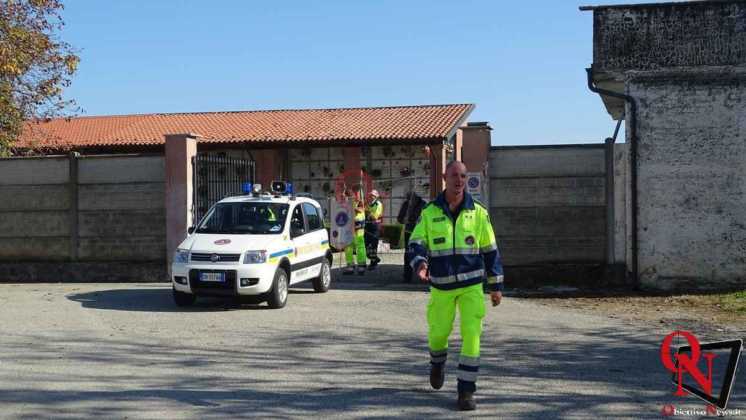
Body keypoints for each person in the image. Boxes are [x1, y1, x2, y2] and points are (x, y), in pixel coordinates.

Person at [407, 160, 504, 411]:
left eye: (462, 176)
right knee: (439, 333)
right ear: (444, 178)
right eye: (454, 175)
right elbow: (416, 243)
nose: (459, 180)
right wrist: (420, 264)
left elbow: (491, 251)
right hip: (441, 287)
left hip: (472, 285)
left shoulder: (479, 213)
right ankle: (437, 362)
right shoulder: (430, 213)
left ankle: (466, 391)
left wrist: (495, 285)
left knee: (473, 334)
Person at [397, 191, 426, 282]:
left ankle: (417, 275)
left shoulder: (422, 204)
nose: (409, 200)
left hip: (416, 233)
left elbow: (400, 218)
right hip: (414, 232)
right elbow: (400, 218)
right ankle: (410, 276)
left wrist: (410, 219)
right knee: (412, 253)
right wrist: (404, 220)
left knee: (416, 253)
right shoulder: (408, 204)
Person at [343, 187, 367, 275]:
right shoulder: (345, 204)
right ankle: (350, 265)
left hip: (358, 227)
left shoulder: (358, 202)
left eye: (346, 196)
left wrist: (351, 207)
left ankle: (361, 265)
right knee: (348, 246)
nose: (345, 198)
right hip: (348, 228)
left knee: (359, 245)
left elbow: (360, 210)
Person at [364, 189, 383, 270]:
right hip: (368, 226)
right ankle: (375, 259)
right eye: (370, 195)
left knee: (373, 246)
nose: (370, 197)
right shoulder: (369, 204)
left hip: (375, 227)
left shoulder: (378, 204)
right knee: (366, 245)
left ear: (375, 196)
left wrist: (368, 212)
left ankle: (373, 263)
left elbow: (375, 216)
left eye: (372, 195)